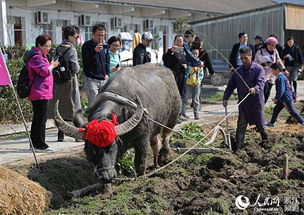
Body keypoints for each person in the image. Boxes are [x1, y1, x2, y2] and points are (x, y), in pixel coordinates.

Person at [223, 47, 268, 151]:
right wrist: (225, 98)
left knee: (261, 126)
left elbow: (261, 82)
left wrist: (255, 89)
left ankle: (266, 145)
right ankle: (239, 149)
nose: (243, 60)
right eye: (241, 58)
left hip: (256, 103)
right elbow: (230, 86)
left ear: (251, 56)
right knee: (241, 127)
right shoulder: (237, 72)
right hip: (244, 104)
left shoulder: (258, 69)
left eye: (245, 58)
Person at [48, 26, 82, 142]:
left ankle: (60, 134)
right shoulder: (72, 49)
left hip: (58, 81)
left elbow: (54, 62)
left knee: (61, 107)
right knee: (75, 106)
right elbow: (76, 68)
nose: (77, 38)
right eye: (76, 36)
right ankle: (78, 135)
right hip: (70, 80)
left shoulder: (57, 48)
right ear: (69, 36)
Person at [26, 34, 59, 151]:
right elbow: (44, 72)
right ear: (39, 45)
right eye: (46, 46)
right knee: (40, 119)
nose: (49, 48)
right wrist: (52, 65)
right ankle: (40, 144)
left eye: (50, 46)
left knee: (39, 118)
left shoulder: (41, 55)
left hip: (42, 91)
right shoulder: (36, 57)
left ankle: (35, 144)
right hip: (39, 92)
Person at [265, 63, 304, 127]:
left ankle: (302, 122)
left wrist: (276, 98)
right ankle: (272, 123)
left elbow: (281, 90)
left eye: (273, 70)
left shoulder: (280, 78)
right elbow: (290, 87)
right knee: (276, 109)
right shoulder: (282, 76)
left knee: (291, 111)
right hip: (282, 98)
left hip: (286, 98)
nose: (272, 72)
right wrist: (294, 96)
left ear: (277, 70)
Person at [82, 24, 110, 105]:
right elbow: (85, 61)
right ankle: (92, 118)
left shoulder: (104, 45)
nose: (101, 38)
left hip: (103, 79)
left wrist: (107, 73)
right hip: (92, 80)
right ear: (93, 34)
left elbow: (107, 60)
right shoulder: (87, 45)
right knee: (94, 104)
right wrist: (95, 51)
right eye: (98, 35)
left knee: (103, 104)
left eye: (103, 35)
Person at [254, 36, 286, 103]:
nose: (273, 47)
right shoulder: (261, 51)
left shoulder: (275, 51)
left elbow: (279, 60)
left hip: (272, 74)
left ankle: (263, 105)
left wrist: (283, 68)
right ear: (267, 44)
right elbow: (255, 62)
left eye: (274, 46)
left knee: (267, 93)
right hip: (263, 74)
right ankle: (260, 105)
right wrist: (263, 64)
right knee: (264, 90)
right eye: (272, 46)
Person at [181, 47, 204, 120]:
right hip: (188, 82)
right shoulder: (188, 62)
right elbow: (186, 73)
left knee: (196, 99)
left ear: (198, 54)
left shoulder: (200, 63)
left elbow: (201, 74)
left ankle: (196, 114)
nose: (194, 55)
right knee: (185, 98)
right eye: (193, 54)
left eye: (196, 54)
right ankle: (183, 113)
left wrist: (198, 81)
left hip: (197, 84)